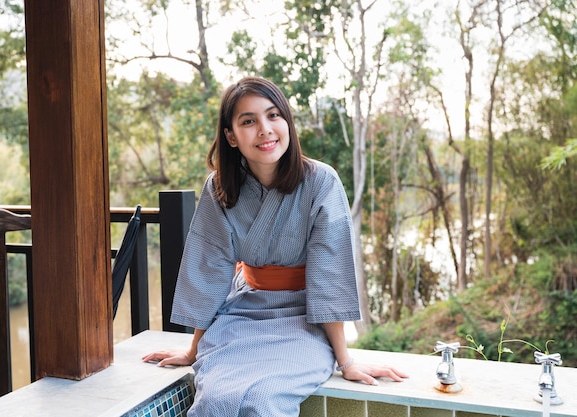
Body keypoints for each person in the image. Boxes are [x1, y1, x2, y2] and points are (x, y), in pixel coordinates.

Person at [143, 76, 408, 416]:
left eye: (273, 115)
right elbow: (209, 270)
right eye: (248, 121)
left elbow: (329, 277)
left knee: (265, 398)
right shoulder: (219, 187)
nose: (265, 129)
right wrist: (193, 350)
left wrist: (346, 361)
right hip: (243, 313)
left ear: (287, 122)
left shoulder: (321, 182)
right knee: (215, 399)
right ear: (231, 136)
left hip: (303, 318)